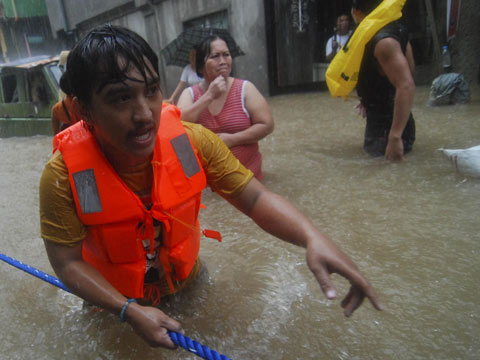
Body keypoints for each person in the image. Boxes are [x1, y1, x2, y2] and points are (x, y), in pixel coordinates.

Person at [39, 24, 382, 350]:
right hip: (112, 308)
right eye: (120, 98)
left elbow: (255, 197)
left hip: (189, 285)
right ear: (85, 109)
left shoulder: (192, 143)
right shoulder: (63, 177)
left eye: (152, 90)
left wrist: (311, 236)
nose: (144, 113)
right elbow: (67, 263)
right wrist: (127, 310)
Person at [177, 35, 273, 180]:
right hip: (209, 185)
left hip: (248, 182)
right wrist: (209, 96)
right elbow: (178, 129)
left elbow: (267, 125)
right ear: (201, 66)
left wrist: (233, 139)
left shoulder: (245, 89)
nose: (223, 61)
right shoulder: (189, 94)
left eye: (226, 55)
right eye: (215, 56)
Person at [352, 0, 416, 161]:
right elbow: (409, 70)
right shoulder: (396, 30)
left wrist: (394, 137)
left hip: (386, 129)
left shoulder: (384, 42)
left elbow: (406, 85)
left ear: (357, 13)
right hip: (394, 121)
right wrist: (370, 96)